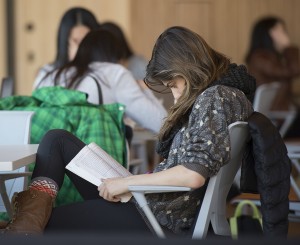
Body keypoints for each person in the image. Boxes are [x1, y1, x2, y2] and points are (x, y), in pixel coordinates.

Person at [1, 26, 255, 236]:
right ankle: (25, 224)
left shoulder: (216, 98)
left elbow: (193, 175)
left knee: (46, 223)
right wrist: (127, 184)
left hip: (155, 219)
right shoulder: (225, 95)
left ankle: (23, 229)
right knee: (57, 139)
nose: (176, 98)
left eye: (174, 85)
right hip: (148, 204)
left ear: (190, 68)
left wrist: (127, 182)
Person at [32, 29, 166, 134]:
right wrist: (145, 88)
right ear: (116, 56)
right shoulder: (115, 73)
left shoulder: (51, 75)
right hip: (92, 163)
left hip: (47, 160)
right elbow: (160, 124)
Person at [33, 7, 100, 89]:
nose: (83, 46)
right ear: (65, 43)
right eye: (76, 41)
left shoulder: (106, 73)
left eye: (87, 40)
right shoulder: (48, 75)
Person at [245, 16, 300, 114]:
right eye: (281, 31)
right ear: (270, 33)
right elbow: (293, 71)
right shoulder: (260, 58)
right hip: (275, 115)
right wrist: (288, 47)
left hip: (282, 111)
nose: (285, 35)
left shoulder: (272, 56)